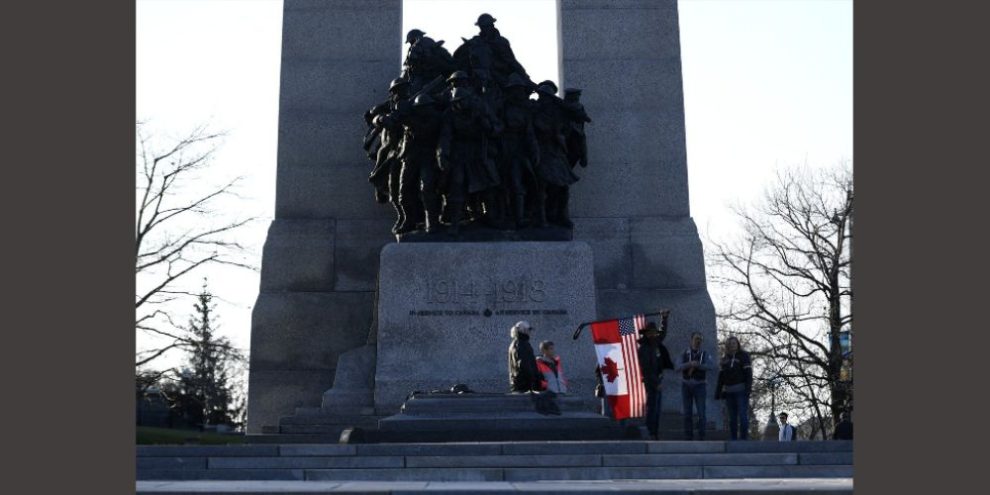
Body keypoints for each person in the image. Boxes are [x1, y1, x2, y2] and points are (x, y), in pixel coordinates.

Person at [637, 310, 675, 440]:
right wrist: (656, 383)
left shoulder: (655, 344)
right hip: (651, 382)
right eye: (650, 333)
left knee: (657, 409)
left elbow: (663, 333)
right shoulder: (644, 349)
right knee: (652, 408)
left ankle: (655, 432)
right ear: (646, 334)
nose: (653, 335)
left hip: (658, 379)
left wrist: (664, 319)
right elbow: (646, 370)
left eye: (654, 333)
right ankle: (650, 431)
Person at [676, 331, 715, 440]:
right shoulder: (684, 353)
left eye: (700, 339)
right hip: (686, 386)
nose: (698, 341)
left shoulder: (705, 354)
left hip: (700, 385)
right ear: (691, 340)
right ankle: (688, 436)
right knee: (687, 413)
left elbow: (711, 366)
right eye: (696, 338)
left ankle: (702, 435)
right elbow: (677, 367)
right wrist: (689, 364)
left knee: (701, 412)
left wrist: (699, 365)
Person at [715, 336, 753, 440]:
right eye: (730, 343)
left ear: (737, 344)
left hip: (741, 391)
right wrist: (718, 392)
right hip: (729, 393)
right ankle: (734, 439)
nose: (732, 345)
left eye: (734, 343)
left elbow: (749, 374)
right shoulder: (724, 359)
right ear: (727, 345)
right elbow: (721, 377)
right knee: (732, 418)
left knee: (742, 416)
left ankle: (744, 439)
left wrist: (748, 390)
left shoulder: (744, 356)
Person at [507, 321, 540, 393]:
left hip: (518, 383)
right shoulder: (522, 344)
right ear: (523, 330)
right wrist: (534, 380)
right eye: (528, 330)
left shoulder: (516, 343)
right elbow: (524, 364)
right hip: (524, 385)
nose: (530, 332)